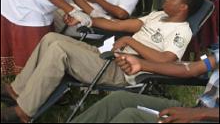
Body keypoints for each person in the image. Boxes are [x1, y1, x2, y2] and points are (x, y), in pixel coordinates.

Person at [1, 0, 204, 123]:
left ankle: (23, 112)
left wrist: (131, 41)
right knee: (51, 39)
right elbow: (122, 25)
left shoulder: (181, 31)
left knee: (59, 50)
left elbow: (166, 60)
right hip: (111, 56)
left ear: (183, 7)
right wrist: (85, 19)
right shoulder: (159, 15)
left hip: (123, 69)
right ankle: (18, 91)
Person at [72, 48, 219, 123]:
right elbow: (192, 69)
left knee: (131, 117)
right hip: (199, 110)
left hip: (205, 117)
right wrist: (142, 64)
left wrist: (196, 114)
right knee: (119, 99)